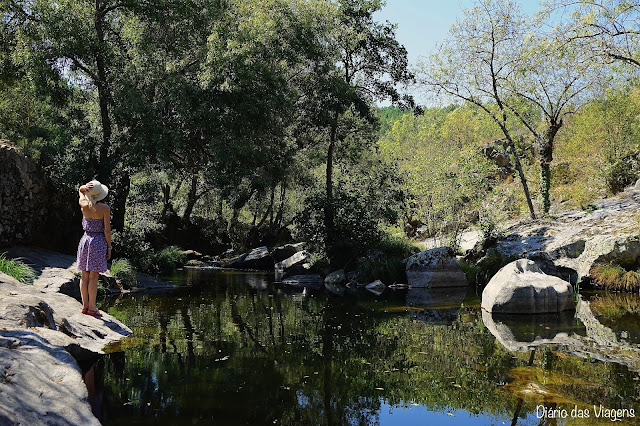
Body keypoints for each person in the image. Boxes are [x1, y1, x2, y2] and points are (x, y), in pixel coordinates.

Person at [76, 180, 111, 317]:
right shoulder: (105, 208)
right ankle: (92, 308)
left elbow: (80, 190)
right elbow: (107, 230)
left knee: (84, 275)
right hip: (98, 241)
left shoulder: (83, 204)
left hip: (85, 240)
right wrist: (109, 247)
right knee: (94, 276)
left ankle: (84, 306)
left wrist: (85, 188)